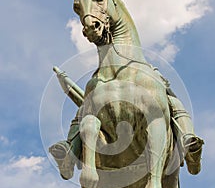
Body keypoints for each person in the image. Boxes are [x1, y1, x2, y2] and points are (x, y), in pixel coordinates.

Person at [49, 72, 204, 179]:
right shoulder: (103, 73)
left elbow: (165, 87)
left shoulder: (146, 67)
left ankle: (189, 146)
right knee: (86, 107)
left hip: (146, 101)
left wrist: (159, 83)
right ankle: (70, 153)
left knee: (174, 103)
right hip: (115, 104)